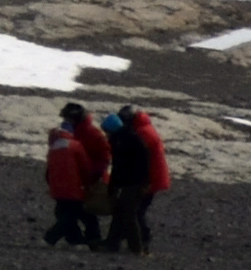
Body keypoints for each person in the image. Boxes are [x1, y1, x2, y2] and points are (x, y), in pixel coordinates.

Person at [99, 105, 174, 256]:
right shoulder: (140, 131)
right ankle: (118, 242)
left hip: (144, 179)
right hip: (147, 178)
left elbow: (133, 161)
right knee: (128, 210)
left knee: (133, 212)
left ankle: (139, 244)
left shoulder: (138, 134)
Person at [42, 104, 107, 249]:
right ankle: (85, 240)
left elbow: (103, 157)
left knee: (72, 213)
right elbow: (85, 162)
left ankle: (77, 239)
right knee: (80, 212)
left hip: (78, 182)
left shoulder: (60, 142)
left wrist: (95, 176)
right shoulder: (76, 141)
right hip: (78, 183)